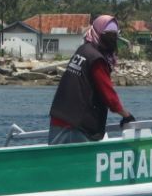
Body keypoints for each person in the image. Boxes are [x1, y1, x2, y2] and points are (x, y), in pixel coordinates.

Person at [47, 14, 136, 144]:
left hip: (59, 117)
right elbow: (108, 95)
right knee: (80, 163)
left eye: (114, 35)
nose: (111, 39)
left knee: (57, 162)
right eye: (108, 35)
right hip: (77, 125)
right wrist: (126, 115)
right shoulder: (96, 59)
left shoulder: (82, 50)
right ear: (98, 33)